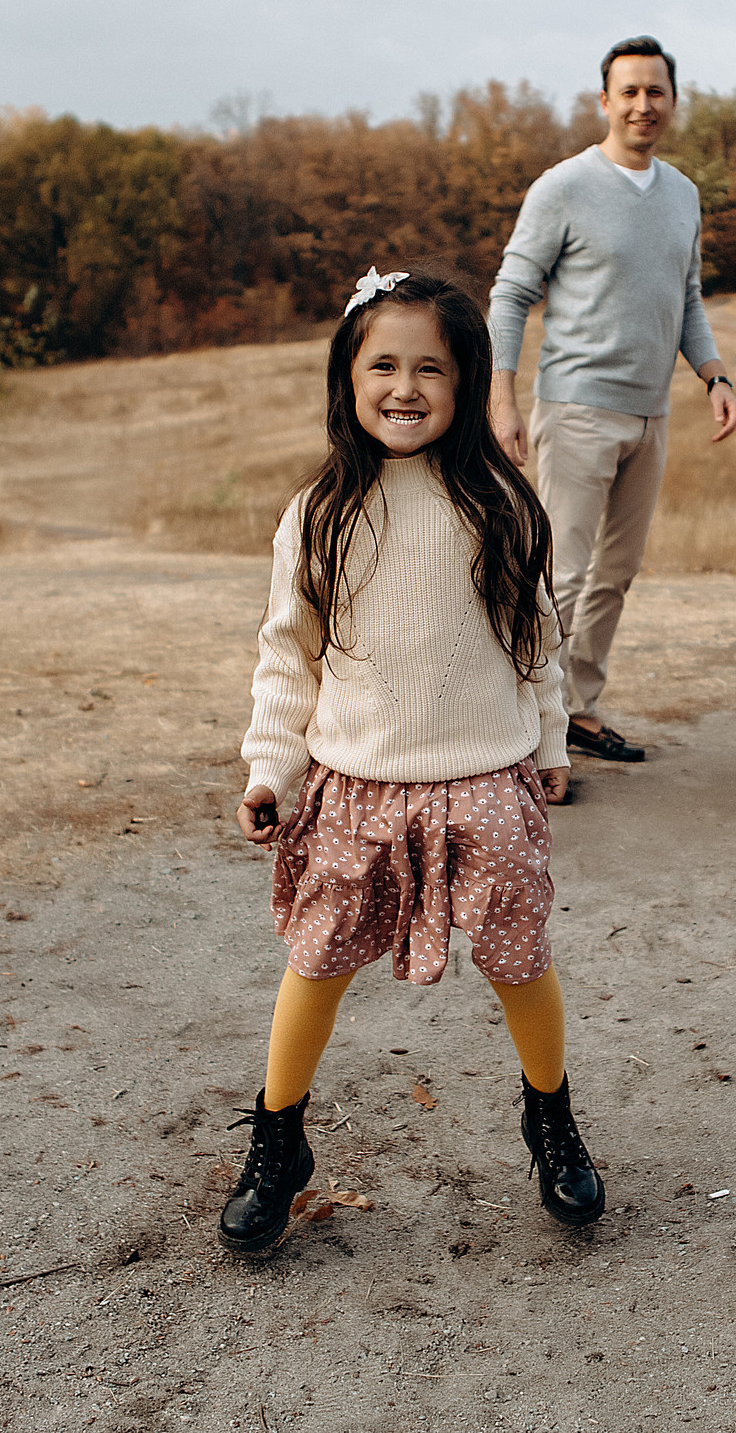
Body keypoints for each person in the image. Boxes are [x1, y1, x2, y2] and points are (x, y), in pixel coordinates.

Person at [225, 267, 603, 1254]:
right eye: (382, 365)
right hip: (353, 785)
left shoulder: (502, 506)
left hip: (487, 780)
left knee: (520, 958)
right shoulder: (319, 513)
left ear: (465, 379)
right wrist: (269, 770)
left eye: (429, 367)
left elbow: (538, 642)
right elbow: (287, 658)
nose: (405, 386)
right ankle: (278, 1138)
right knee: (315, 961)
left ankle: (551, 1118)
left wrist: (552, 742)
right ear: (348, 379)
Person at [487, 35, 736, 768]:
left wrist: (715, 374)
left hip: (651, 414)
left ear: (672, 101)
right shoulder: (563, 187)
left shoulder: (683, 194)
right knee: (560, 576)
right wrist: (502, 402)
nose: (642, 104)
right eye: (628, 91)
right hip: (576, 408)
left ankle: (579, 708)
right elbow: (510, 295)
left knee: (616, 573)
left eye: (655, 91)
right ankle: (532, 734)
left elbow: (686, 297)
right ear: (605, 101)